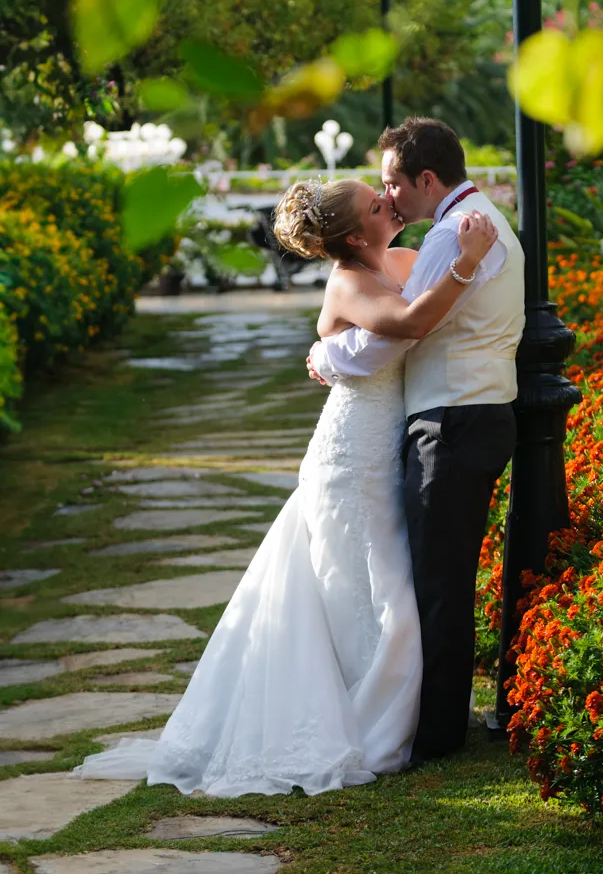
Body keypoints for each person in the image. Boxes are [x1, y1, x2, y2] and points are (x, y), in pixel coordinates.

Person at [71, 174, 498, 797]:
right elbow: (410, 324)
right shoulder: (350, 280)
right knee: (365, 590)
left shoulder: (401, 259)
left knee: (380, 587)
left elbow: (424, 313)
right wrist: (465, 264)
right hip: (350, 457)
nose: (390, 202)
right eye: (378, 204)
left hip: (386, 445)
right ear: (356, 234)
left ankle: (379, 710)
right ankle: (355, 719)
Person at [308, 117, 525, 766]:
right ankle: (425, 719)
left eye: (392, 185)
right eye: (379, 193)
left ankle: (433, 733)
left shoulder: (455, 236)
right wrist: (331, 348)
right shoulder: (465, 223)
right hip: (443, 418)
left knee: (436, 582)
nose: (390, 197)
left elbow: (404, 328)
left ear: (425, 179)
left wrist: (328, 354)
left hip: (453, 420)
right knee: (425, 578)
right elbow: (386, 326)